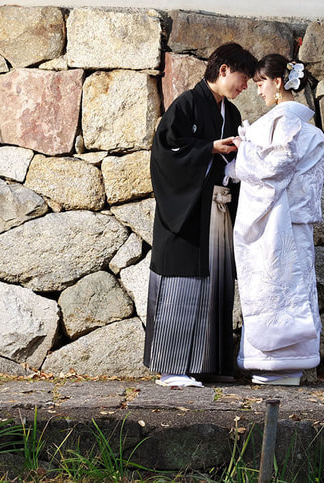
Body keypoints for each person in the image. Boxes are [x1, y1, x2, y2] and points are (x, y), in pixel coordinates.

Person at [145, 42, 257, 388]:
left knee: (216, 282)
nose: (245, 86)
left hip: (218, 209)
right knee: (184, 283)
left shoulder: (232, 114)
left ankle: (207, 364)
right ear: (223, 69)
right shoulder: (188, 104)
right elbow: (166, 150)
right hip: (187, 212)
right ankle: (172, 367)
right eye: (242, 77)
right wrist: (208, 148)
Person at [230, 54, 324, 386]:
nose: (257, 92)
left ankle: (272, 361)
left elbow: (274, 168)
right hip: (297, 221)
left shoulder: (279, 123)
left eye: (260, 84)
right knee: (294, 289)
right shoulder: (310, 130)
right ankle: (292, 362)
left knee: (272, 288)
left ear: (278, 83)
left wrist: (244, 150)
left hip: (275, 221)